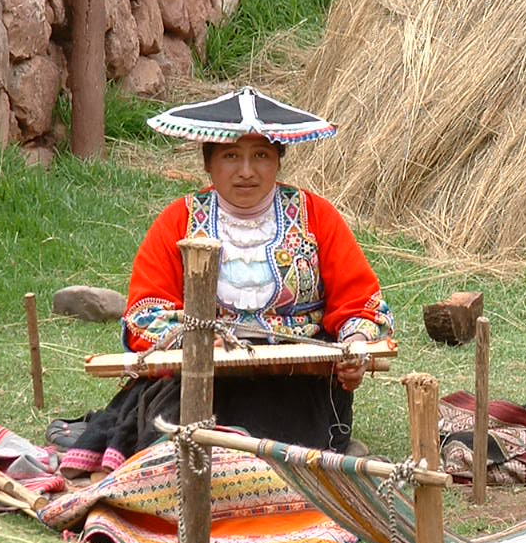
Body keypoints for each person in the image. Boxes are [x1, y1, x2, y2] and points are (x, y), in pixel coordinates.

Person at [58, 88, 392, 474]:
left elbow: (360, 304)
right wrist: (194, 338)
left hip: (297, 384)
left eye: (261, 156)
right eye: (231, 155)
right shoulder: (178, 221)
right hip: (205, 378)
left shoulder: (316, 217)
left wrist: (355, 348)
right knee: (178, 418)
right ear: (208, 162)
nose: (246, 171)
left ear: (278, 161)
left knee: (266, 425)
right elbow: (145, 314)